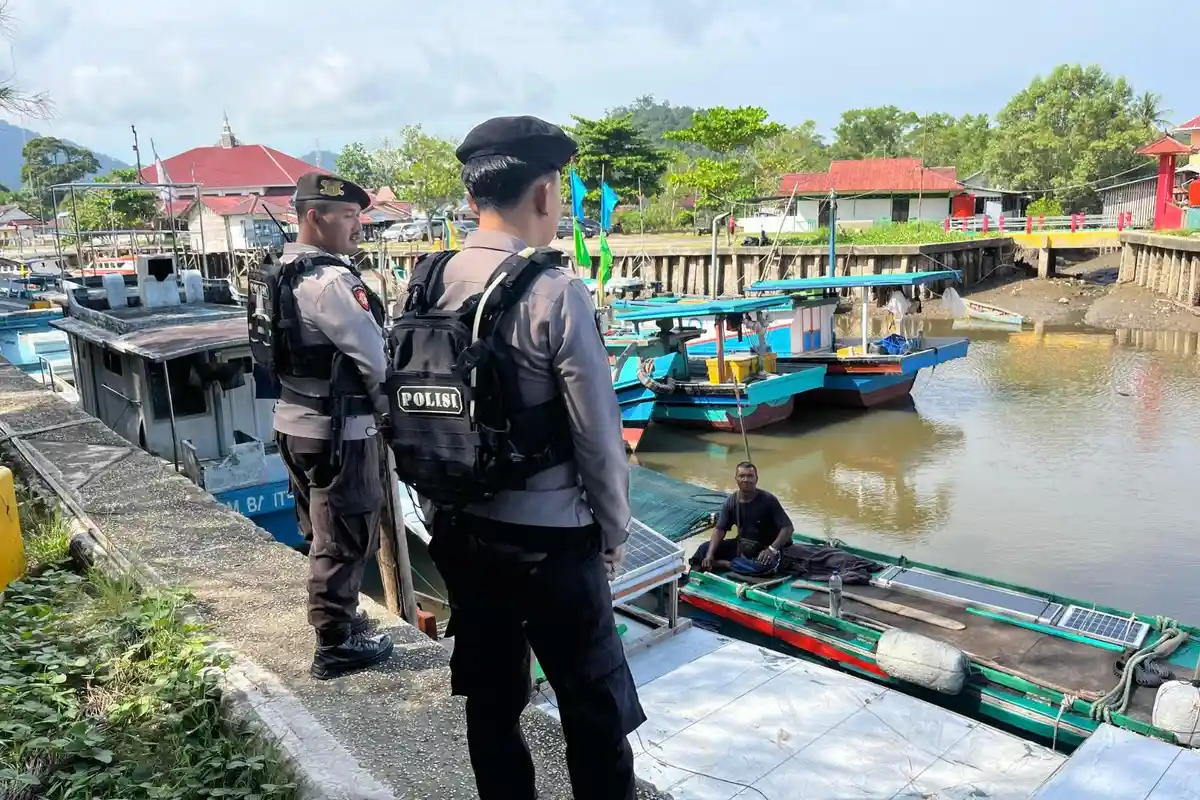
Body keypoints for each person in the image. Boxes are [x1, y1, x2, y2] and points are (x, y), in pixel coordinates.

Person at [421, 116, 644, 800]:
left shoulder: (429, 279)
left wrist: (440, 512)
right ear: (545, 192)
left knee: (490, 700)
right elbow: (599, 438)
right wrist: (613, 533)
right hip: (553, 543)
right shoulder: (556, 292)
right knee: (593, 709)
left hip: (462, 533)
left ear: (472, 194)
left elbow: (415, 405)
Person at [269, 172, 394, 680]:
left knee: (322, 529)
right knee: (345, 534)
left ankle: (340, 618)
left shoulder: (280, 270)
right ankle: (335, 644)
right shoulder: (331, 282)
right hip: (339, 433)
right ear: (314, 217)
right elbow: (376, 360)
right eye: (347, 216)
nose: (357, 226)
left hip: (294, 422)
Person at [691, 461, 794, 572]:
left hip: (764, 548)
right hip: (743, 546)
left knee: (761, 567)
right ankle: (692, 576)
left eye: (750, 476)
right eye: (742, 476)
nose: (746, 480)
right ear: (736, 479)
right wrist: (710, 554)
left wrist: (772, 549)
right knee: (704, 549)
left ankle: (725, 564)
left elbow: (788, 528)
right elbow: (720, 529)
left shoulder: (768, 500)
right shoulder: (731, 501)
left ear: (756, 479)